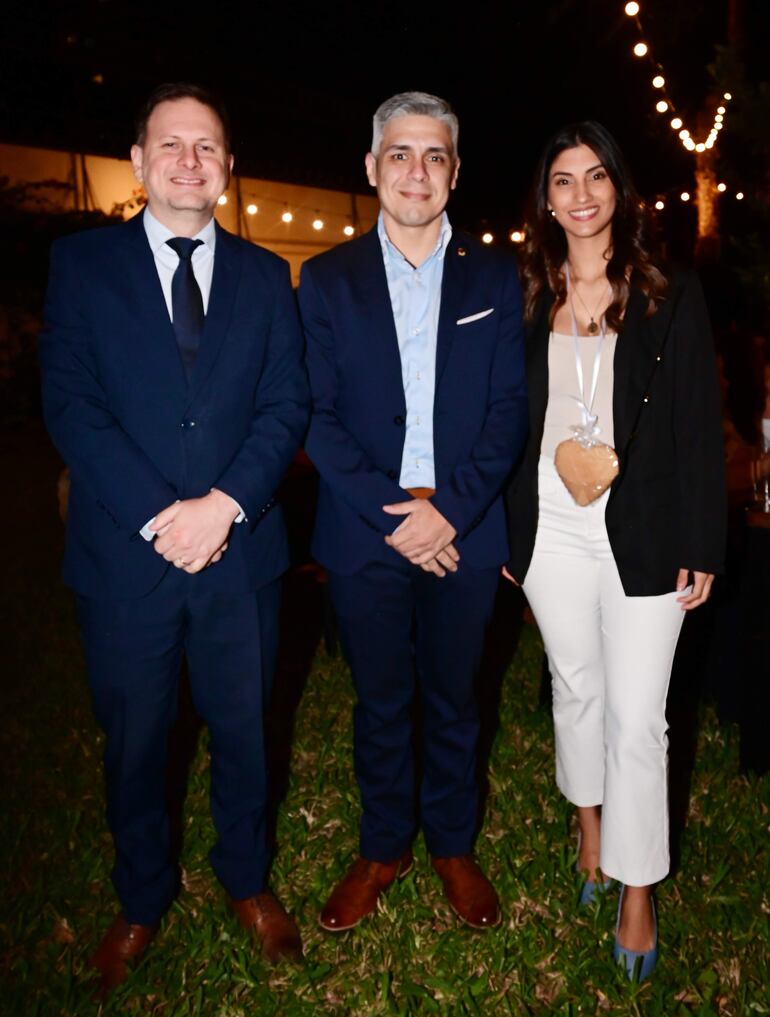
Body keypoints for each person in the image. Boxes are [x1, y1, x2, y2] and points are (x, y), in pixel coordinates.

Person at [39, 83, 309, 996]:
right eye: (171, 144)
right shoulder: (82, 265)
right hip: (126, 556)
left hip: (242, 555)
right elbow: (71, 403)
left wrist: (224, 505)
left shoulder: (267, 276)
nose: (190, 161)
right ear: (140, 160)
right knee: (134, 741)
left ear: (228, 167)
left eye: (207, 146)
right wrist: (163, 515)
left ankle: (246, 879)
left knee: (246, 731)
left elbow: (286, 403)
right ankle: (141, 896)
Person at [299, 91, 528, 932]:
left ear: (455, 173)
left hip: (465, 529)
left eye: (435, 156)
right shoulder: (325, 279)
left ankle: (453, 845)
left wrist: (450, 513)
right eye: (400, 153)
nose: (416, 171)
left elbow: (509, 410)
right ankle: (383, 843)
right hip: (367, 530)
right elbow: (315, 414)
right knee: (381, 699)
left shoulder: (494, 276)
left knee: (457, 697)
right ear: (372, 167)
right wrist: (401, 517)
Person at [504, 121, 726, 980]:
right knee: (576, 687)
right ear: (545, 199)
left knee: (638, 716)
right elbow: (508, 421)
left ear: (619, 189)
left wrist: (702, 538)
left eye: (596, 176)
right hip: (550, 524)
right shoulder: (529, 292)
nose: (582, 194)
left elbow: (698, 426)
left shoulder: (669, 292)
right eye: (564, 180)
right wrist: (509, 531)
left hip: (646, 526)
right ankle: (590, 826)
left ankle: (638, 887)